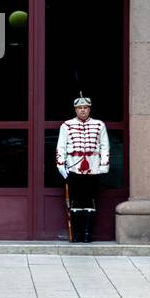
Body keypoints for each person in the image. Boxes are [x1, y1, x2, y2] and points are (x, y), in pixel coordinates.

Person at [56, 93, 109, 243]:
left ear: (90, 109)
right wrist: (61, 166)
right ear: (75, 110)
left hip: (93, 168)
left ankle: (87, 234)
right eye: (80, 108)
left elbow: (105, 146)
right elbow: (61, 147)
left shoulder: (99, 125)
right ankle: (77, 234)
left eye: (85, 107)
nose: (83, 110)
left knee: (90, 201)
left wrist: (103, 166)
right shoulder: (66, 125)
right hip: (73, 167)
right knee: (75, 201)